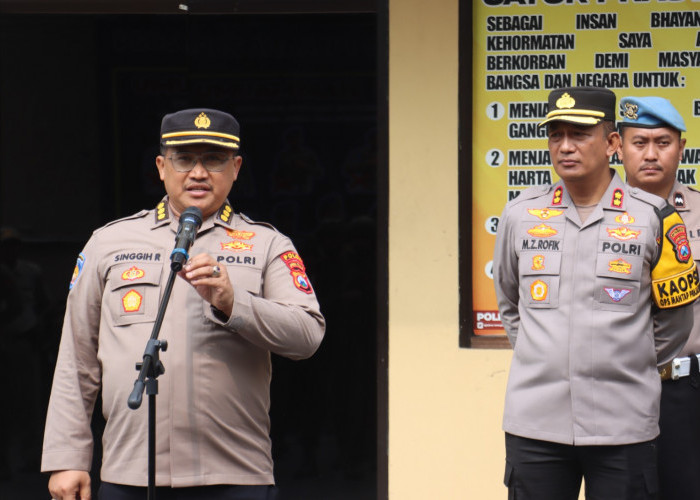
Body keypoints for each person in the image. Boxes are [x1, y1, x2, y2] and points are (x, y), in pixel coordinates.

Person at [41, 108, 326, 500]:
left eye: (213, 159)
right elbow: (77, 358)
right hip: (131, 473)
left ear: (236, 167)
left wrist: (233, 303)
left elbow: (307, 335)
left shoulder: (267, 245)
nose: (198, 173)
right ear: (161, 166)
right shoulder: (109, 243)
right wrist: (67, 457)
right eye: (184, 159)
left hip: (234, 474)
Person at [493, 86, 699, 500]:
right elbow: (509, 304)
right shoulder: (520, 215)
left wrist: (627, 362)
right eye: (556, 135)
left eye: (579, 134)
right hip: (536, 423)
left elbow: (677, 319)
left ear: (610, 144)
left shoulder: (655, 217)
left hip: (622, 423)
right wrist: (546, 355)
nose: (565, 147)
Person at [617, 96, 699, 500]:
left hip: (690, 391)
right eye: (639, 142)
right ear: (618, 147)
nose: (651, 154)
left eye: (663, 142)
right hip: (617, 388)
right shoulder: (596, 217)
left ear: (682, 147)